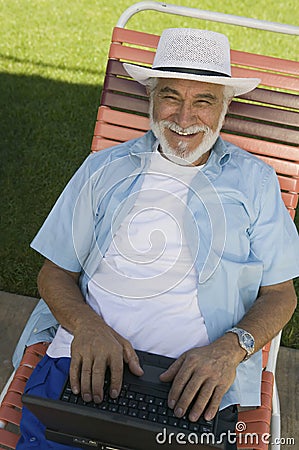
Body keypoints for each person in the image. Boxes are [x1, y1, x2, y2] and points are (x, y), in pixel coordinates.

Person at [16, 28, 299, 449]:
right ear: (150, 97)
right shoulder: (103, 168)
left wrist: (228, 350)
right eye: (171, 97)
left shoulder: (253, 181)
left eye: (203, 100)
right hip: (85, 361)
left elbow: (281, 294)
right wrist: (86, 326)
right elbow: (54, 272)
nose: (183, 119)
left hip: (198, 384)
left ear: (225, 106)